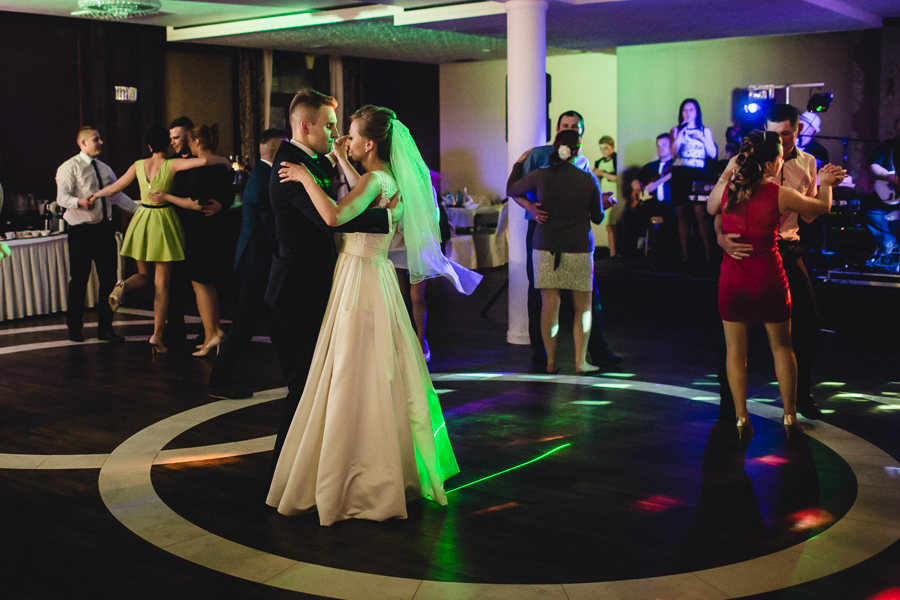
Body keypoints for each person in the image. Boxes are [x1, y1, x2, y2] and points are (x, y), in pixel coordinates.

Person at [268, 105, 476, 525]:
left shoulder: (373, 180)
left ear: (369, 143)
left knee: (351, 366)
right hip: (375, 273)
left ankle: (356, 469)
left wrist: (305, 178)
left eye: (350, 134)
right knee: (380, 366)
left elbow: (334, 215)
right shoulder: (386, 179)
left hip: (358, 276)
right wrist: (342, 161)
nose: (344, 138)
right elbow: (360, 199)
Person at [265, 90, 397, 475]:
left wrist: (342, 163)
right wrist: (389, 216)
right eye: (329, 125)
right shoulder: (290, 167)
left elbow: (355, 195)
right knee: (304, 386)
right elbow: (333, 218)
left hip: (323, 285)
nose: (336, 133)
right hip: (296, 292)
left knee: (326, 382)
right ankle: (284, 474)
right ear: (305, 126)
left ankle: (317, 466)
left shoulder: (316, 161)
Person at [708, 130, 844, 439]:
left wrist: (729, 170)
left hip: (734, 278)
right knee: (782, 347)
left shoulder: (727, 189)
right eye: (780, 159)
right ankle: (789, 415)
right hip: (768, 278)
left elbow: (710, 209)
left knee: (735, 351)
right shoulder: (778, 193)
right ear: (770, 165)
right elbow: (821, 207)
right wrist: (825, 184)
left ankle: (741, 416)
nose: (782, 163)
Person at [91, 125, 228, 354]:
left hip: (142, 220)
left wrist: (95, 195)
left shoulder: (138, 165)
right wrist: (223, 160)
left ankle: (123, 285)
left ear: (148, 146)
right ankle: (157, 335)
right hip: (164, 221)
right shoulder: (171, 164)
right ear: (167, 144)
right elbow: (204, 161)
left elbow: (115, 187)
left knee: (143, 275)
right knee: (161, 286)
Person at [511, 110, 621, 372]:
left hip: (573, 235)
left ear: (581, 133)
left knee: (582, 297)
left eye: (575, 127)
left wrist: (599, 201)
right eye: (566, 125)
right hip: (543, 228)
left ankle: (592, 351)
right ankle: (546, 355)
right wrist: (531, 208)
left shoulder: (584, 163)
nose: (570, 129)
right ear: (557, 129)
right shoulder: (538, 156)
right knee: (542, 293)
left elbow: (582, 201)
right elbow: (516, 191)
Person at [208, 128, 286, 399]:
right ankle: (218, 382)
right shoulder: (264, 179)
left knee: (275, 322)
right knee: (245, 324)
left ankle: (297, 376)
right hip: (257, 263)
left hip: (258, 261)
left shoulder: (262, 174)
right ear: (279, 151)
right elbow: (271, 229)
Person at [56, 127, 139, 343]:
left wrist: (139, 212)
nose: (101, 142)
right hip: (81, 231)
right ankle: (75, 328)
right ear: (83, 143)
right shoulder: (69, 167)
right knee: (79, 280)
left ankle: (106, 329)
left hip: (104, 230)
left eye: (100, 138)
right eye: (96, 139)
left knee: (109, 280)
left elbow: (117, 195)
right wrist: (80, 202)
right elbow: (61, 198)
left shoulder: (105, 168)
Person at [167, 124, 233, 357]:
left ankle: (210, 335)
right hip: (216, 231)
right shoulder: (223, 166)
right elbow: (229, 195)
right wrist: (221, 205)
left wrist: (167, 196)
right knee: (208, 284)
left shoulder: (197, 170)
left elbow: (196, 201)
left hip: (199, 231)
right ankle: (214, 331)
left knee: (200, 284)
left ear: (195, 142)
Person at [671, 98, 717, 263]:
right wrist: (681, 132)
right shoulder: (676, 130)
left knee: (700, 213)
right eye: (684, 110)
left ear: (697, 112)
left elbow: (713, 154)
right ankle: (685, 256)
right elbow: (673, 151)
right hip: (680, 173)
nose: (687, 113)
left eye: (691, 110)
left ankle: (708, 255)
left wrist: (702, 138)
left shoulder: (705, 130)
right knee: (682, 215)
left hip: (698, 173)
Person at [863, 117, 900, 270]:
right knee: (869, 209)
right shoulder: (888, 146)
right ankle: (888, 244)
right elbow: (873, 166)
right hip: (888, 194)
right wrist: (889, 177)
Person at [593, 136, 620, 257]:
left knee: (615, 225)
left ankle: (616, 252)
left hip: (616, 194)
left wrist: (602, 173)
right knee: (609, 226)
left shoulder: (617, 159)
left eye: (605, 148)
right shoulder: (599, 162)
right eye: (601, 148)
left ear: (612, 147)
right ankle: (612, 253)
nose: (603, 151)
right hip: (604, 195)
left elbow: (618, 178)